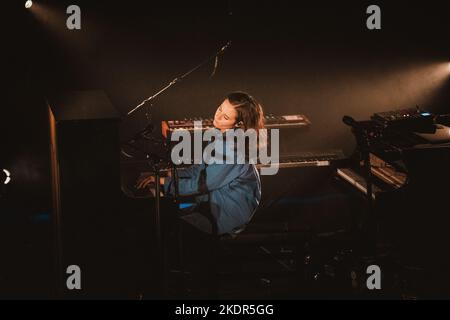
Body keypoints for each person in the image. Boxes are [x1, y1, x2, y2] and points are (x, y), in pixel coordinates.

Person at [137, 91, 264, 236]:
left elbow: (200, 184)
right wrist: (164, 174)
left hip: (225, 216)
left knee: (163, 226)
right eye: (220, 108)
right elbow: (199, 170)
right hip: (211, 206)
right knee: (160, 217)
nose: (218, 116)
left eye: (226, 117)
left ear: (239, 124)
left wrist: (161, 181)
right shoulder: (220, 136)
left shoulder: (233, 150)